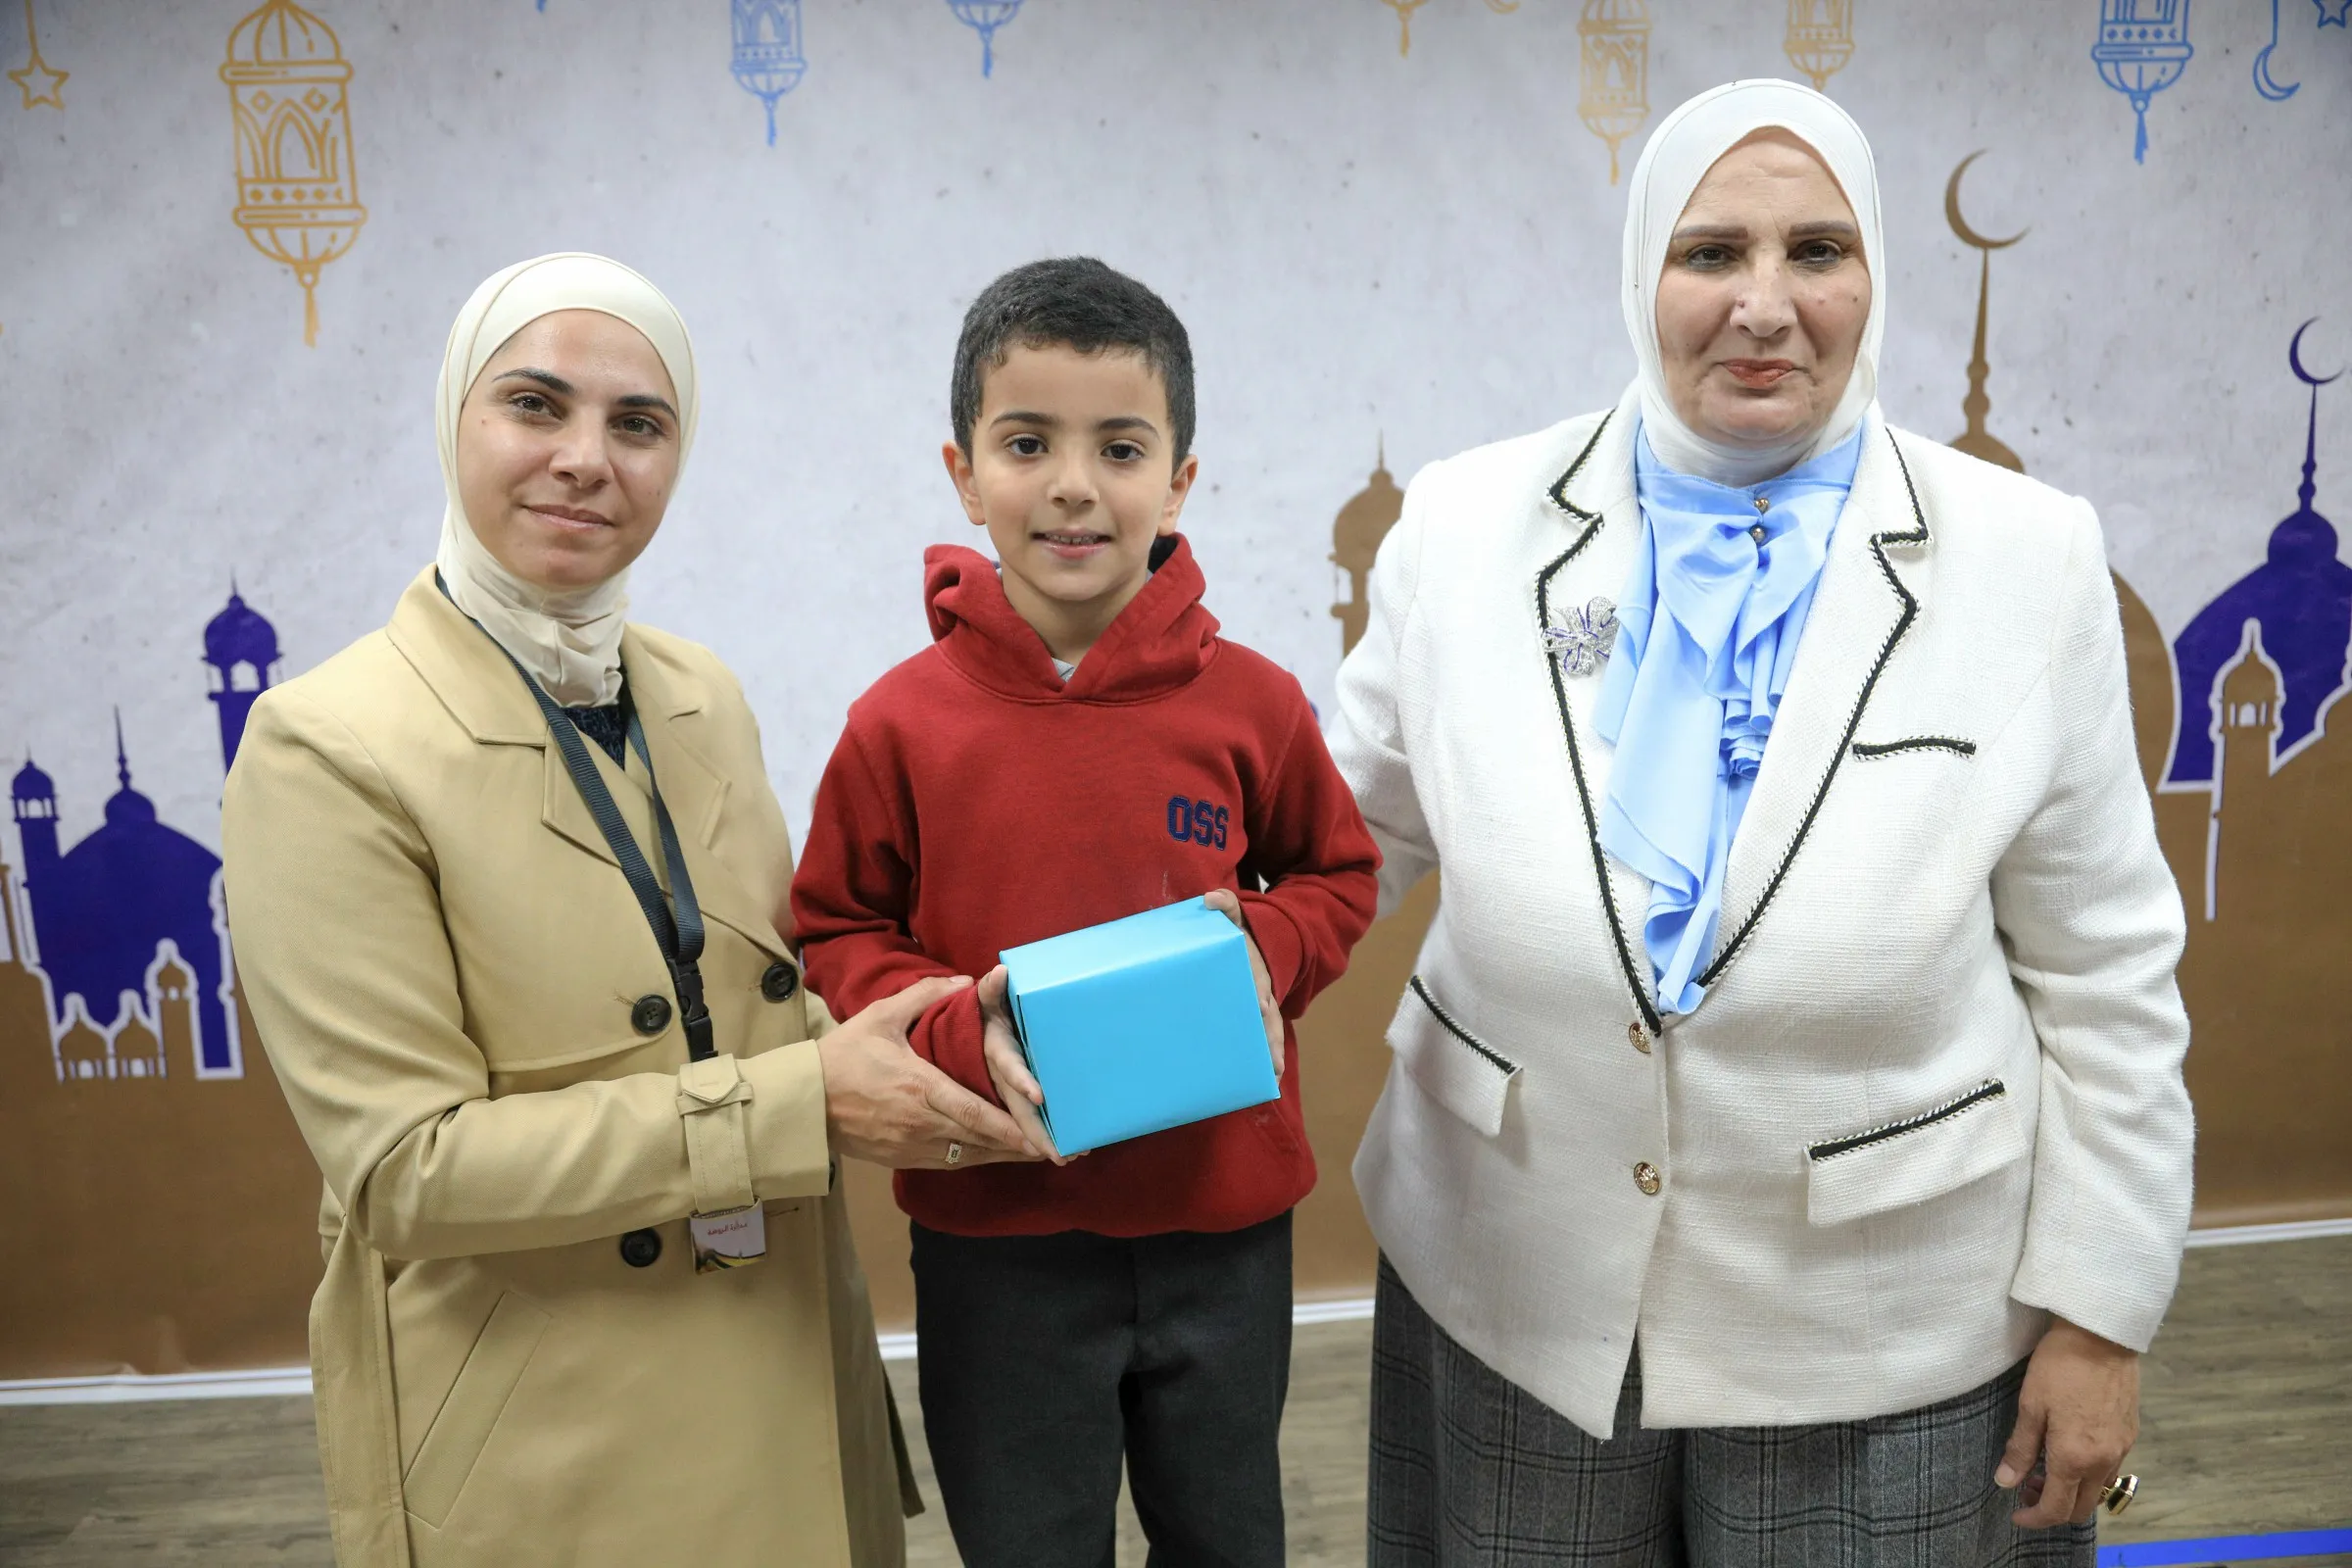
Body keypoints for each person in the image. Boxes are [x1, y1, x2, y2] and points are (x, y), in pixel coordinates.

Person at [1327, 81, 2193, 1565]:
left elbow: (2105, 974)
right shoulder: (1465, 529)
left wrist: (2101, 1316)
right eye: (1712, 252)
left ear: (1875, 275)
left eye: (1818, 252)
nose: (1766, 306)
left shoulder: (2028, 559)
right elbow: (1327, 852)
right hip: (1514, 1278)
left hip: (1886, 1326)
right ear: (1641, 273)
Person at [220, 252, 1037, 1568]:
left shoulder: (699, 694)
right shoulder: (326, 746)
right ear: (452, 418)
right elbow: (407, 1169)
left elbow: (755, 1006)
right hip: (554, 1446)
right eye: (534, 405)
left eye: (638, 423)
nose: (585, 459)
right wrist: (801, 1106)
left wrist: (944, 1037)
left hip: (781, 1379)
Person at [790, 256, 1381, 1567]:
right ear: (964, 474)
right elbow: (836, 928)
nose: (1073, 484)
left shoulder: (1255, 702)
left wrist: (1266, 949)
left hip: (1223, 1225)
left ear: (1179, 478)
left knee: (1228, 1540)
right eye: (1027, 444)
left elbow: (1338, 877)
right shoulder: (899, 723)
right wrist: (952, 1032)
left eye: (1120, 447)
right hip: (997, 1233)